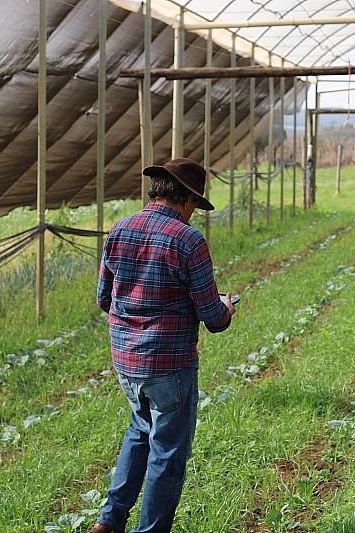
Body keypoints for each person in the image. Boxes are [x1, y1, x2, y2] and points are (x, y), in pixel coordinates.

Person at [92, 157, 236, 533]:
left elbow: (104, 299)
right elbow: (213, 318)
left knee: (139, 430)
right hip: (169, 365)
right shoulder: (188, 240)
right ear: (187, 200)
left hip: (126, 361)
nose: (193, 215)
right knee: (167, 454)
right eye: (194, 207)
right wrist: (225, 307)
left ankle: (109, 521)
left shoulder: (119, 229)